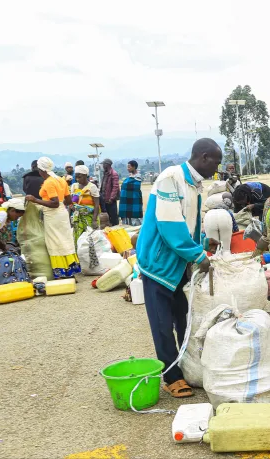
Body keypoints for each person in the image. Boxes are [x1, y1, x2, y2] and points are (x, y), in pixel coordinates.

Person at [137, 138, 221, 399]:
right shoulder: (170, 178)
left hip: (178, 264)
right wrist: (198, 255)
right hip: (160, 265)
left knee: (184, 319)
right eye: (215, 162)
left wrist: (204, 243)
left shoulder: (194, 184)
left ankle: (185, 366)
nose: (216, 169)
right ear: (204, 157)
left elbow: (189, 223)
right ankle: (171, 377)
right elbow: (170, 224)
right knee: (162, 325)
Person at [25, 157, 81, 278]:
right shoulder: (61, 180)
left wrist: (35, 200)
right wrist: (61, 206)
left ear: (41, 169)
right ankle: (70, 271)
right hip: (62, 213)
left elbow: (54, 203)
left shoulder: (49, 182)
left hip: (53, 215)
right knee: (65, 240)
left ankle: (61, 272)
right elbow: (68, 200)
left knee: (55, 242)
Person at [71, 165, 101, 245]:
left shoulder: (92, 187)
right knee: (78, 238)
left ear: (85, 176)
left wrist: (94, 220)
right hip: (78, 217)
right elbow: (72, 202)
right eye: (76, 177)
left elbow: (96, 205)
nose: (77, 179)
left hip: (90, 217)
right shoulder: (74, 186)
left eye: (79, 177)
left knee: (90, 239)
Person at [120, 160, 144, 226]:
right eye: (127, 167)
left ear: (134, 167)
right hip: (126, 203)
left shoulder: (138, 177)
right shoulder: (129, 178)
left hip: (134, 201)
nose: (128, 168)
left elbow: (135, 186)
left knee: (135, 220)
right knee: (127, 222)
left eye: (129, 167)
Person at [100, 158, 120, 226]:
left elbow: (115, 187)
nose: (102, 166)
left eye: (103, 164)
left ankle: (115, 229)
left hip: (110, 200)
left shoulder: (114, 174)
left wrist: (111, 198)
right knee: (107, 217)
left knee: (113, 217)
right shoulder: (105, 173)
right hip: (105, 199)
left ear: (107, 165)